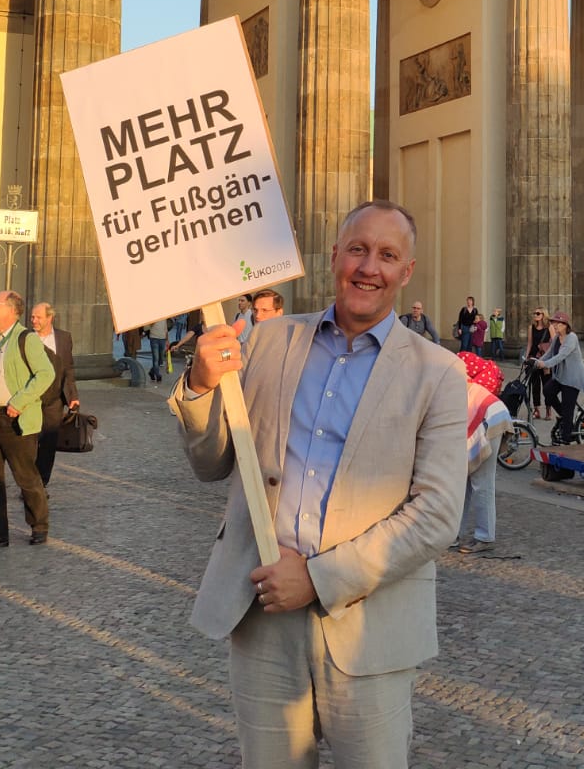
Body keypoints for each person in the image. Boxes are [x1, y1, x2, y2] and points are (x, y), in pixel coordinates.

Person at [170, 200, 465, 768]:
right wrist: (202, 384)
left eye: (387, 255)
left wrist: (317, 577)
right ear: (334, 257)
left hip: (369, 629)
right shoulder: (267, 342)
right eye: (357, 249)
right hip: (263, 620)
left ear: (407, 271)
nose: (368, 267)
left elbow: (435, 515)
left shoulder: (438, 373)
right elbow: (211, 463)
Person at [0, 291, 55, 551]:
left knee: (26, 476)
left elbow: (45, 373)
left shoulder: (25, 338)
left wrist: (20, 402)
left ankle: (39, 525)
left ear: (11, 310)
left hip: (14, 417)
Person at [454, 352, 510, 554]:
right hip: (490, 415)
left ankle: (485, 536)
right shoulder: (448, 370)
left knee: (481, 482)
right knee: (462, 482)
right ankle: (452, 534)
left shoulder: (443, 379)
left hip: (488, 421)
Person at [30, 302, 78, 488]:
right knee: (30, 442)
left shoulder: (64, 338)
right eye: (32, 317)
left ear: (50, 318)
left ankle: (41, 483)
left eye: (38, 317)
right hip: (30, 398)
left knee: (49, 443)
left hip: (54, 398)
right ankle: (30, 482)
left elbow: (68, 368)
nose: (34, 320)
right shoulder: (25, 337)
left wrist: (73, 395)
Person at [537, 312, 584, 444]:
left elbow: (561, 356)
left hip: (573, 378)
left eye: (557, 323)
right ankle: (564, 419)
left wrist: (545, 364)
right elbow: (550, 353)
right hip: (561, 376)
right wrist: (536, 362)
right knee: (547, 391)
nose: (554, 326)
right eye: (553, 323)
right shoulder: (557, 338)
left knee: (568, 409)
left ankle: (566, 439)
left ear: (565, 325)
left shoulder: (571, 338)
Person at [523, 306, 554, 420]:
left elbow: (554, 342)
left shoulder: (549, 327)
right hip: (534, 358)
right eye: (534, 313)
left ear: (543, 315)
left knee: (547, 385)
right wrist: (526, 357)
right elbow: (530, 343)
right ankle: (536, 409)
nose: (535, 315)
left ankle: (548, 409)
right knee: (535, 385)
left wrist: (553, 359)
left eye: (538, 313)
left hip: (545, 359)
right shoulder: (531, 327)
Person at [148, 315, 170, 382]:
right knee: (156, 358)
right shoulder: (152, 315)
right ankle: (157, 375)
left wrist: (167, 340)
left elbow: (165, 328)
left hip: (162, 339)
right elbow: (147, 326)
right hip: (154, 338)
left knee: (161, 359)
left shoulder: (164, 317)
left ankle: (152, 372)